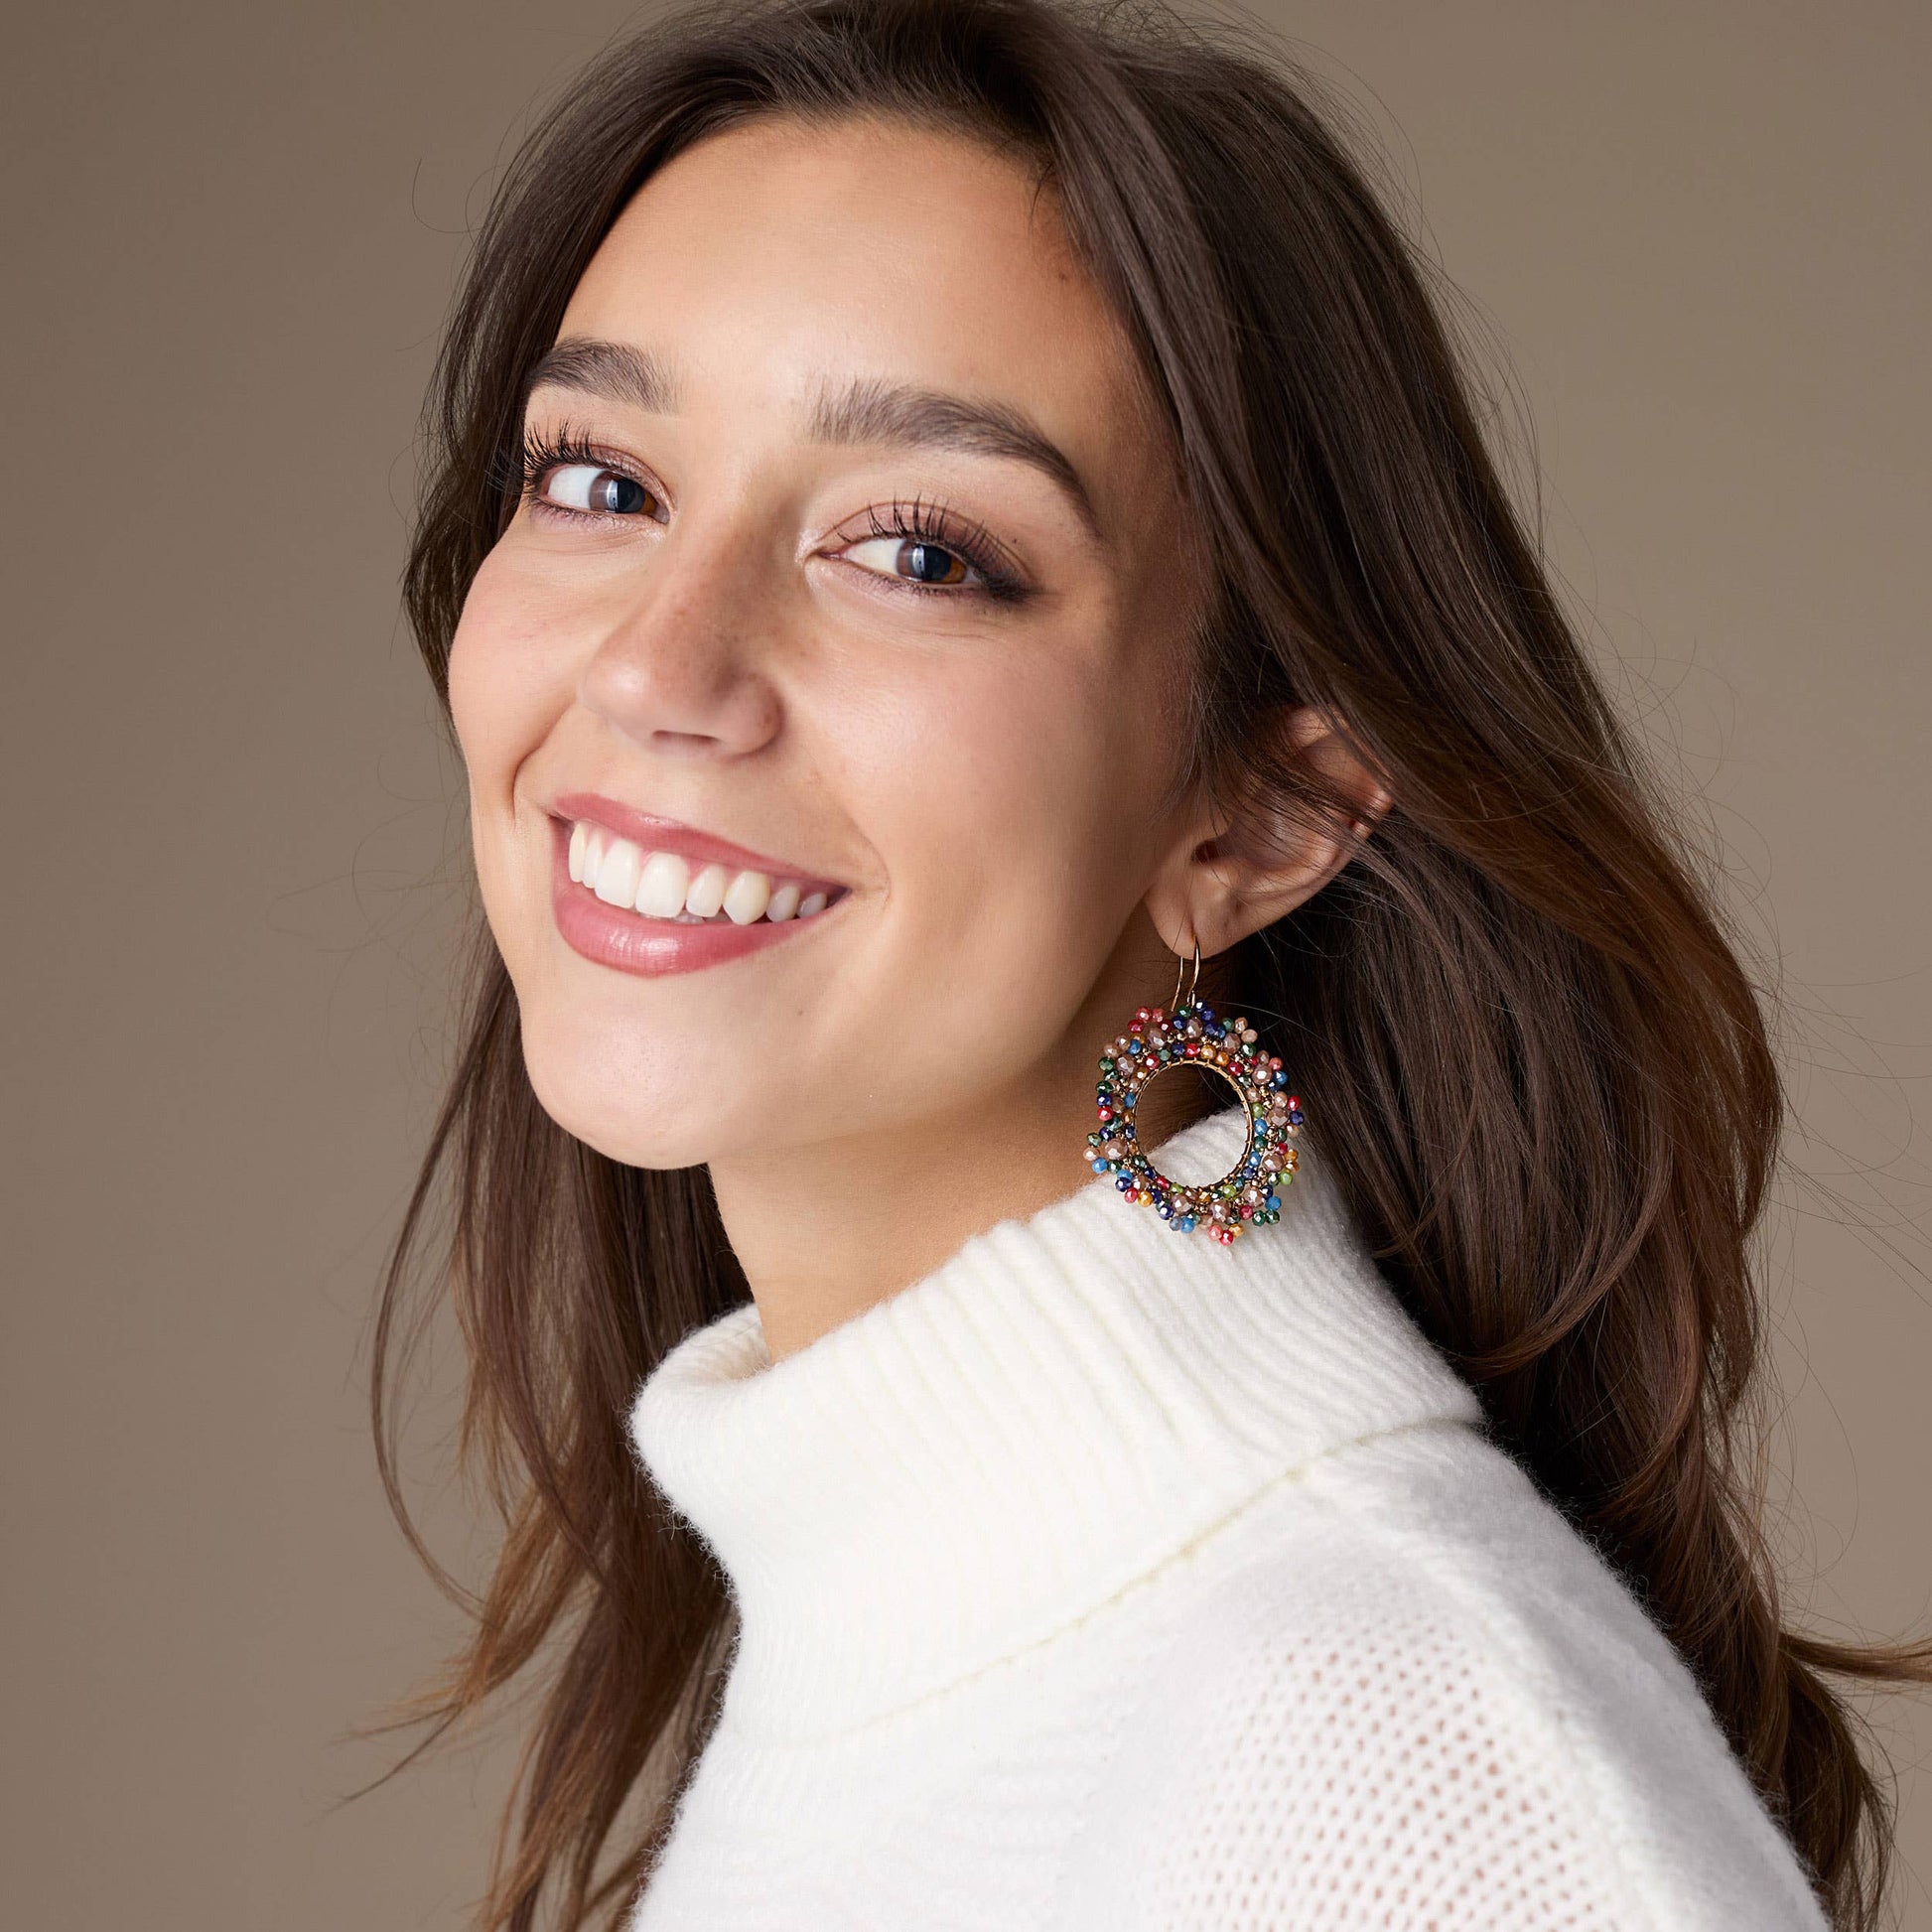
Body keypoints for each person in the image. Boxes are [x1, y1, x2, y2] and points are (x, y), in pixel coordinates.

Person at [369, 0, 1930, 1925]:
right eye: (602, 483)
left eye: (921, 550)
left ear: (1259, 817)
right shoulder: (920, 1641)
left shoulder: (1395, 1756)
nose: (656, 670)